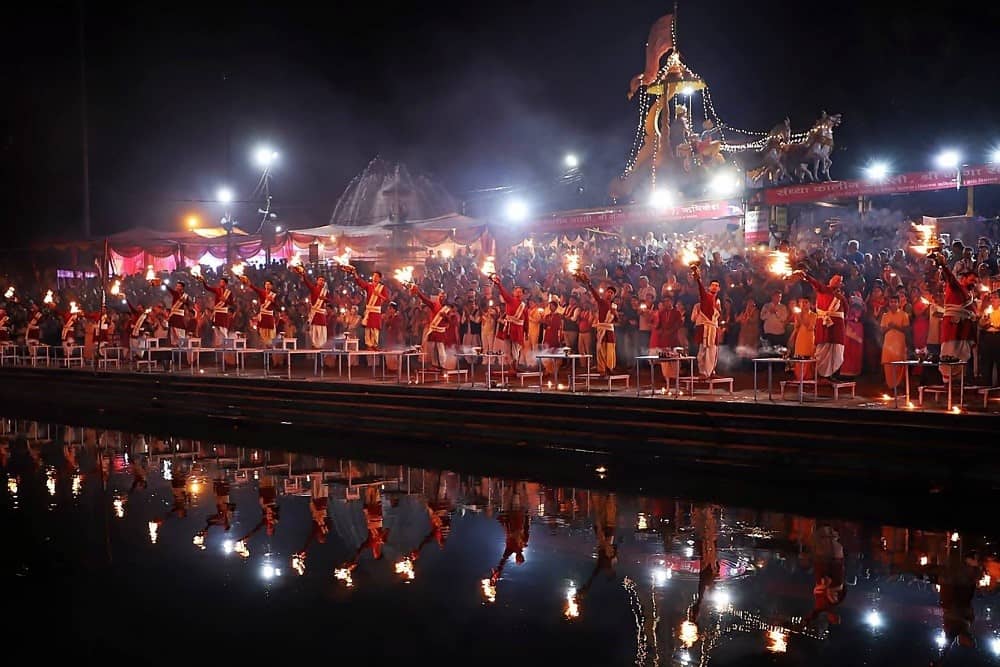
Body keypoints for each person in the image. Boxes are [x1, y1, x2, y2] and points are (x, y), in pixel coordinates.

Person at [792, 269, 846, 381]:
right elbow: (815, 284)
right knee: (822, 349)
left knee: (836, 351)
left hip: (837, 328)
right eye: (836, 279)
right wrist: (806, 276)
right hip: (824, 326)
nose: (837, 282)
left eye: (839, 281)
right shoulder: (824, 290)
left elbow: (847, 310)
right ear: (830, 280)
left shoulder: (841, 295)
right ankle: (821, 375)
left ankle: (833, 374)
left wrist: (842, 299)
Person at [934, 254, 979, 383]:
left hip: (964, 331)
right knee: (949, 356)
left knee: (962, 357)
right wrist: (943, 264)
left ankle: (959, 388)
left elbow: (972, 311)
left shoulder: (969, 295)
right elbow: (950, 277)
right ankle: (947, 387)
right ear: (963, 278)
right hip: (952, 329)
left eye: (975, 282)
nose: (974, 284)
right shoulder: (955, 287)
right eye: (972, 280)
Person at [574, 271, 617, 375]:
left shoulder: (614, 306)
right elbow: (595, 294)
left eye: (612, 293)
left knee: (610, 348)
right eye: (608, 292)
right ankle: (602, 369)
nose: (610, 294)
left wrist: (615, 314)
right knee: (600, 349)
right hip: (602, 328)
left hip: (610, 329)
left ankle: (609, 367)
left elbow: (616, 320)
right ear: (605, 293)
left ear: (614, 295)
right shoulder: (602, 302)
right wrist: (589, 284)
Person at [490, 274, 527, 372]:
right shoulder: (510, 300)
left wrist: (526, 332)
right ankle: (511, 367)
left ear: (522, 294)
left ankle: (515, 367)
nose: (518, 293)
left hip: (518, 329)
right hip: (509, 328)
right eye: (516, 291)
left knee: (516, 349)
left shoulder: (524, 305)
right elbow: (503, 293)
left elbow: (526, 320)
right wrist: (498, 284)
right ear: (513, 293)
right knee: (507, 348)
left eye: (520, 292)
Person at [347, 266, 389, 350]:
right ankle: (369, 345)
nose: (374, 277)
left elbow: (386, 299)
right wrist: (355, 273)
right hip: (369, 309)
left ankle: (375, 345)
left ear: (380, 278)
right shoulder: (369, 286)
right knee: (368, 328)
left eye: (376, 276)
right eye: (374, 276)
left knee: (375, 328)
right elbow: (360, 282)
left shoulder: (382, 288)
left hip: (376, 311)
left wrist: (379, 295)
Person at [691, 264, 722, 378]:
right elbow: (701, 290)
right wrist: (698, 278)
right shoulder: (707, 297)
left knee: (712, 351)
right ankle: (702, 372)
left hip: (713, 328)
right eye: (712, 285)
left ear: (719, 289)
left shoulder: (717, 301)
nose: (714, 287)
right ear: (709, 287)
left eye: (716, 286)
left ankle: (710, 372)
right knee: (703, 350)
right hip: (705, 328)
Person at [411, 285, 451, 369]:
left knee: (441, 349)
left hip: (441, 332)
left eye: (444, 296)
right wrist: (418, 292)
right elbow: (425, 300)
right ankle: (434, 365)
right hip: (433, 330)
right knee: (432, 349)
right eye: (441, 296)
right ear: (438, 297)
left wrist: (445, 316)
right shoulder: (434, 305)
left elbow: (450, 321)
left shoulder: (447, 309)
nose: (442, 297)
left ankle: (442, 365)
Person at [880, 294, 910, 389]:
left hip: (899, 343)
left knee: (899, 364)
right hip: (888, 343)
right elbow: (882, 330)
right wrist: (889, 327)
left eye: (895, 302)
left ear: (898, 303)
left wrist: (896, 327)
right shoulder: (885, 315)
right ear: (889, 303)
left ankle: (899, 384)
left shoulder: (904, 315)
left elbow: (906, 330)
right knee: (888, 364)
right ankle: (890, 385)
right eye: (891, 302)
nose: (893, 304)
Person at [296, 270, 331, 349]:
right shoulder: (313, 289)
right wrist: (304, 275)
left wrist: (325, 298)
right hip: (314, 314)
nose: (321, 282)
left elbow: (331, 301)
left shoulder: (325, 292)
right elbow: (307, 283)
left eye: (323, 280)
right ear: (317, 281)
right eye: (320, 280)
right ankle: (315, 345)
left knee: (322, 330)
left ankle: (321, 345)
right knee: (314, 330)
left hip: (321, 314)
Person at [195, 274, 234, 342]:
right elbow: (207, 288)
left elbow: (232, 303)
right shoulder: (217, 290)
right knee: (216, 328)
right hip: (217, 312)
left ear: (225, 284)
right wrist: (203, 281)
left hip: (223, 313)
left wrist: (225, 300)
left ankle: (227, 342)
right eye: (220, 282)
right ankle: (218, 342)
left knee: (223, 328)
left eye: (222, 282)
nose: (220, 283)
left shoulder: (229, 293)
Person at [241, 276, 278, 346]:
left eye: (269, 284)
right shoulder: (262, 292)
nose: (267, 285)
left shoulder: (274, 295)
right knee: (262, 335)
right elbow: (254, 288)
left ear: (271, 286)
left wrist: (273, 301)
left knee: (271, 336)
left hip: (270, 317)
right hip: (263, 316)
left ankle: (271, 348)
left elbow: (277, 307)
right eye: (266, 284)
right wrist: (247, 282)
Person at [979, 290, 1000, 386]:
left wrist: (993, 325)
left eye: (995, 298)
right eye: (991, 298)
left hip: (998, 338)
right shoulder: (987, 310)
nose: (992, 300)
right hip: (987, 338)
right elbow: (981, 324)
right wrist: (984, 323)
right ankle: (986, 386)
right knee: (986, 363)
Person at [162, 280, 192, 345]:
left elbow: (189, 305)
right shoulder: (175, 293)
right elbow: (169, 289)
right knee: (172, 328)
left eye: (179, 286)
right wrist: (163, 283)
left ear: (182, 287)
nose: (177, 287)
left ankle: (181, 342)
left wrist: (185, 302)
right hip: (173, 314)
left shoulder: (185, 296)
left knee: (179, 328)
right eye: (177, 286)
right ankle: (174, 343)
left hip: (180, 315)